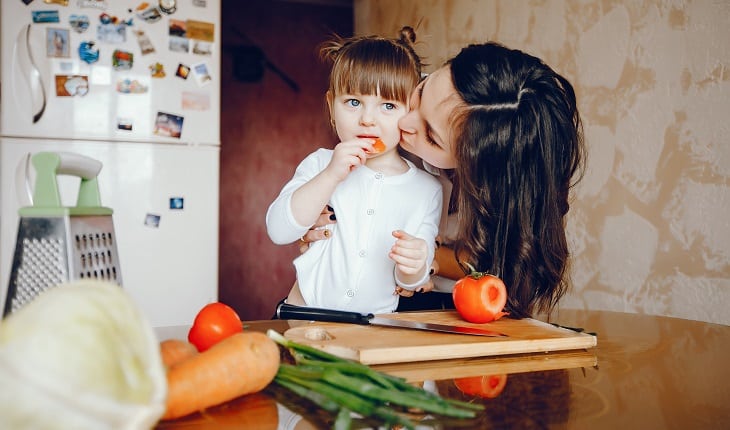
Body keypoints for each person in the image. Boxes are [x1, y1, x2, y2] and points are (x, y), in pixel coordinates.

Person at [301, 41, 585, 319]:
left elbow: (501, 265)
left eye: (431, 137)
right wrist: (311, 217)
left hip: (447, 307)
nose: (403, 123)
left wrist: (427, 262)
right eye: (422, 92)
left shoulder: (507, 188)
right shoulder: (392, 101)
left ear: (472, 167)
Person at [266, 27, 443, 315]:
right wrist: (331, 175)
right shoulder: (320, 164)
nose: (367, 120)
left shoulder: (427, 189)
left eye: (388, 105)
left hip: (375, 327)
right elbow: (278, 230)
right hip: (304, 314)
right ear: (331, 106)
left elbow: (409, 280)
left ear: (410, 112)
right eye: (353, 102)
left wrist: (416, 264)